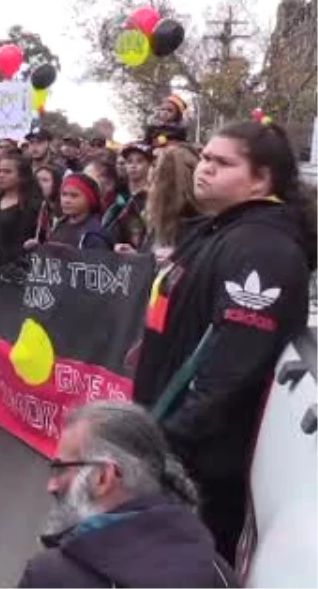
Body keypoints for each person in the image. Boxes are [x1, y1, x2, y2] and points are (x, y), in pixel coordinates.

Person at [134, 121, 317, 563]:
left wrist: (167, 441)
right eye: (206, 158)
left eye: (222, 163)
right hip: (176, 442)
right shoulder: (221, 228)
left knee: (181, 565)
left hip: (202, 464)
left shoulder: (262, 248)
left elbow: (232, 370)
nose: (204, 169)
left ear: (261, 179)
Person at [15, 401, 237, 589]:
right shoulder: (217, 571)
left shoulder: (50, 578)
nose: (51, 485)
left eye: (61, 468)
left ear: (103, 478)